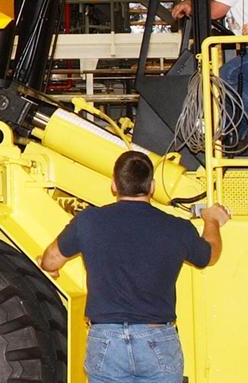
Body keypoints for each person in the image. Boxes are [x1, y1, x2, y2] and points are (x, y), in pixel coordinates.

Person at [40, 150, 229, 382]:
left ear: (113, 185)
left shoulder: (88, 221)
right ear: (152, 186)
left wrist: (52, 268)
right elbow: (210, 254)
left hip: (105, 340)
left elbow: (50, 259)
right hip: (157, 338)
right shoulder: (177, 228)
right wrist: (212, 220)